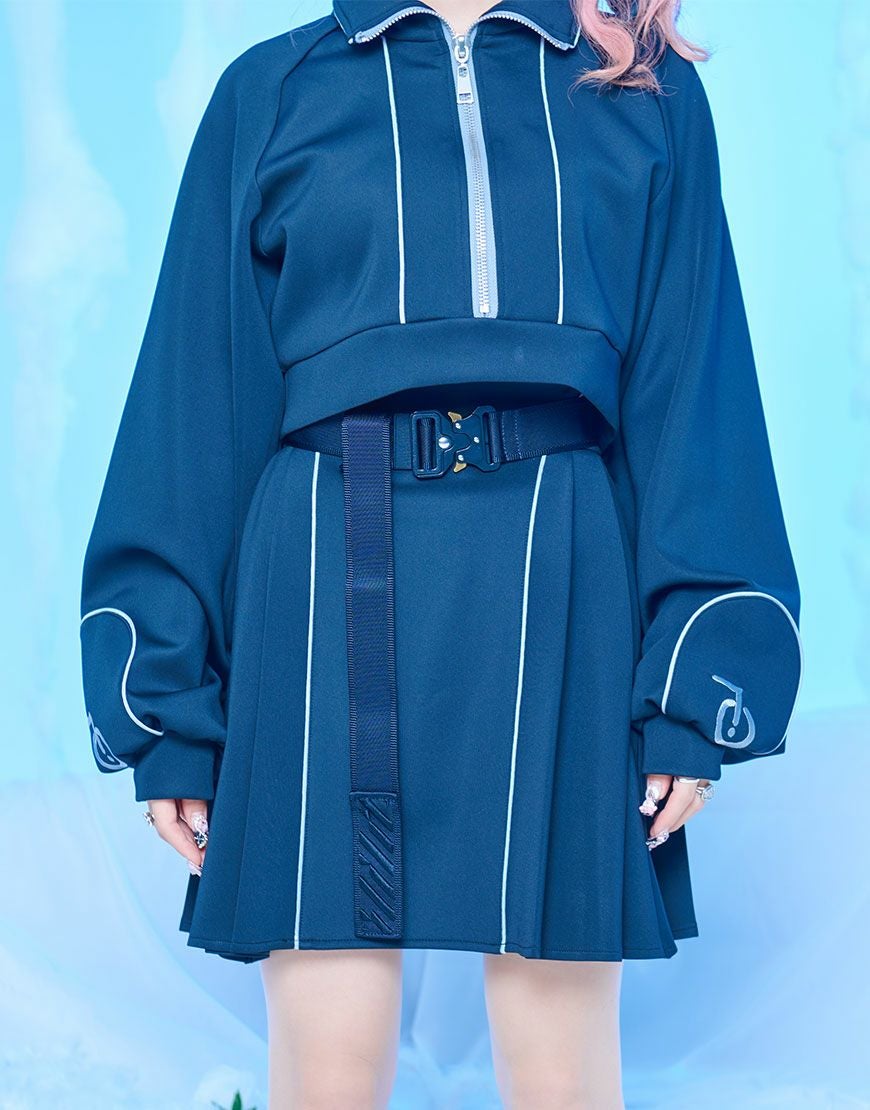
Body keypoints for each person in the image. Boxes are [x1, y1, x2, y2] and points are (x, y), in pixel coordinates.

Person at [78, 0, 804, 1105]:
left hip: (563, 581)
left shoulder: (643, 91)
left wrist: (697, 683)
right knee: (327, 1067)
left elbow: (693, 388)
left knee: (564, 1075)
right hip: (321, 579)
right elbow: (195, 394)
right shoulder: (274, 88)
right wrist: (165, 706)